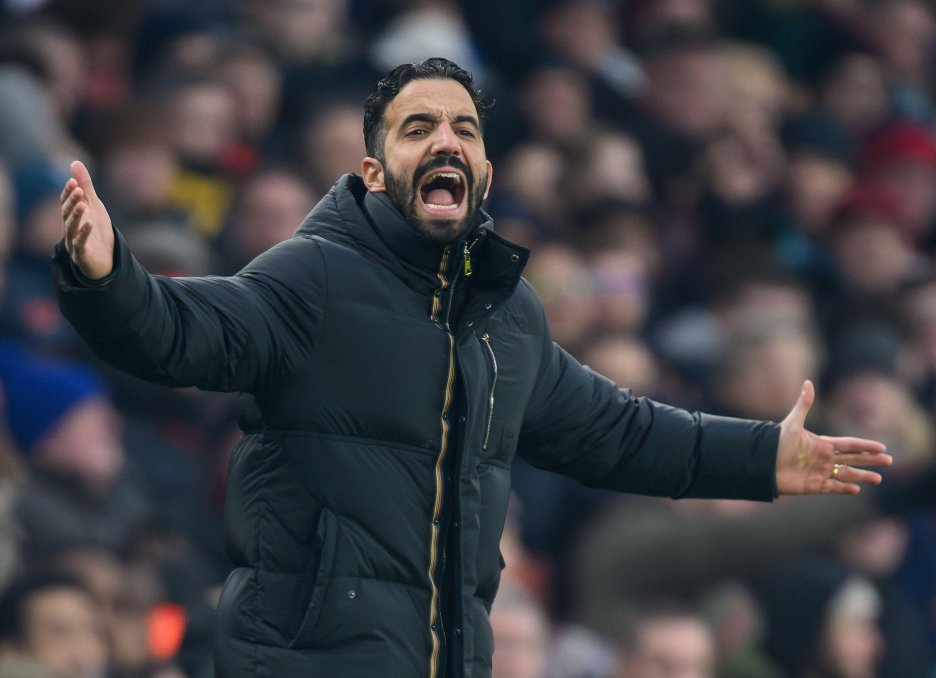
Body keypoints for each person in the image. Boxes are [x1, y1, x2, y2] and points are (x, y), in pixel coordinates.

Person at [54, 57, 890, 678]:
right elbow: (180, 333)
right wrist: (107, 275)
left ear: (485, 172)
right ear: (375, 174)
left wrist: (760, 458)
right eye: (418, 128)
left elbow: (618, 432)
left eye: (464, 129)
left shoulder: (508, 315)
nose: (445, 141)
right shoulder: (311, 275)